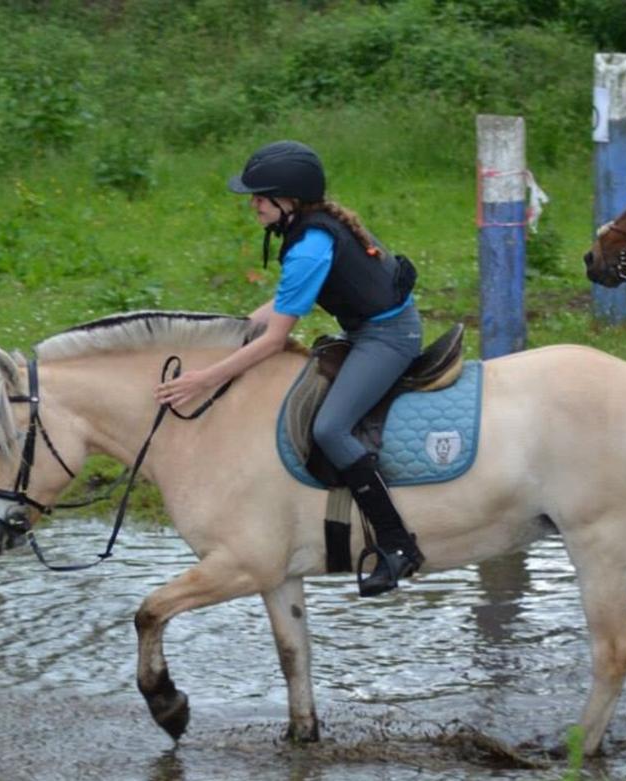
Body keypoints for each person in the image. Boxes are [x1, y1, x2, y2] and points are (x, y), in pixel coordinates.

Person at [154, 140, 424, 597]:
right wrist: (225, 333)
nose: (253, 204)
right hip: (367, 330)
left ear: (288, 199)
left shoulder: (309, 247)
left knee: (331, 428)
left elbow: (276, 339)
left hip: (388, 339)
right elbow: (279, 308)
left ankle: (398, 545)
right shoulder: (312, 231)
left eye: (260, 196)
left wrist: (205, 378)